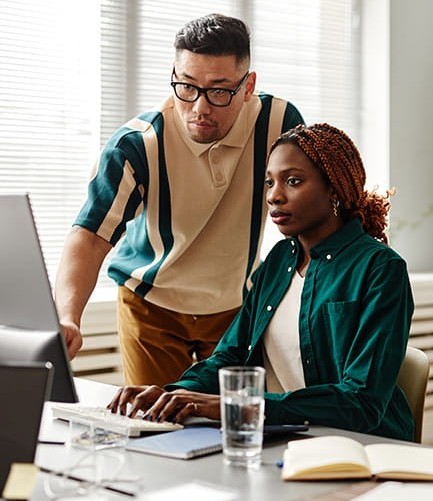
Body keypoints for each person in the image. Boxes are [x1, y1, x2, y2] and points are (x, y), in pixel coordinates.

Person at [108, 123, 415, 441]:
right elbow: (232, 356)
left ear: (335, 189)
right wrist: (173, 394)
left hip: (362, 447)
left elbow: (361, 402)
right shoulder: (280, 259)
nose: (274, 196)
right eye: (269, 182)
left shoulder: (381, 268)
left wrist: (241, 406)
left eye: (293, 181)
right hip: (284, 438)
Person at [54, 13, 304, 386]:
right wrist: (67, 316)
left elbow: (312, 207)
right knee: (156, 426)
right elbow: (90, 236)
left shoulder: (278, 122)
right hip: (151, 307)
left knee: (228, 425)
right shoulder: (137, 144)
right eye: (186, 86)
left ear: (248, 85)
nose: (200, 107)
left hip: (235, 307)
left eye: (219, 91)